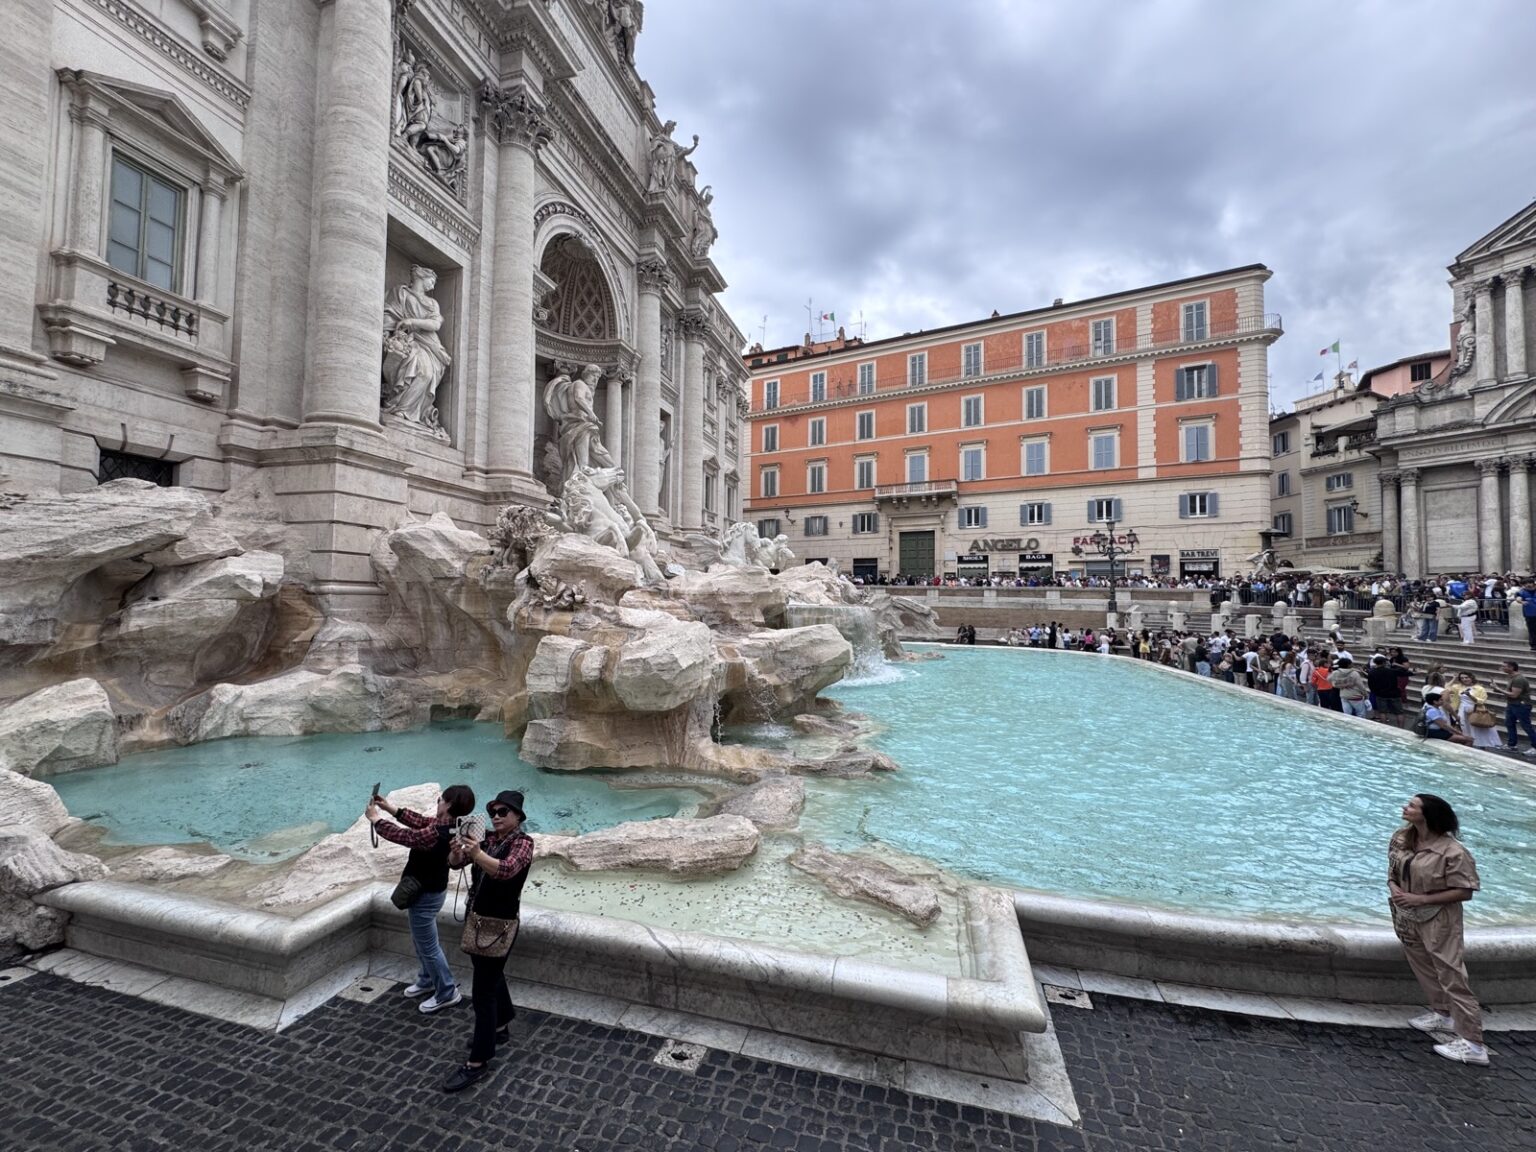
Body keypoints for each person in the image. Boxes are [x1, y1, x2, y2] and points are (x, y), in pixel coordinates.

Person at [442, 789, 535, 1093]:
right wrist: (458, 852)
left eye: (503, 812)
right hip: (477, 919)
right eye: (493, 812)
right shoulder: (488, 839)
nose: (496, 817)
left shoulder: (523, 843)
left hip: (499, 926)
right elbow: (454, 865)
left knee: (482, 993)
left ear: (517, 816)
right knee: (491, 976)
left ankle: (478, 1061)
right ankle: (501, 1023)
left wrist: (477, 854)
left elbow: (506, 870)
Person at [1388, 794, 1487, 1066]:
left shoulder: (1454, 852)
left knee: (1451, 974)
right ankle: (1442, 1014)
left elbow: (1465, 891)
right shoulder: (1401, 838)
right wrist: (1394, 888)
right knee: (1422, 965)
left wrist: (1421, 899)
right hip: (1407, 914)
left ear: (1428, 815)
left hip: (1440, 919)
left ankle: (1474, 1044)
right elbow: (1393, 870)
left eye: (1412, 806)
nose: (1405, 807)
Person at [367, 784, 477, 1014]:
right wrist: (390, 808)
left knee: (428, 947)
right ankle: (427, 979)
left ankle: (447, 991)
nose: (438, 803)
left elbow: (406, 836)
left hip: (425, 895)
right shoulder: (451, 826)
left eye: (440, 799)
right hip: (431, 891)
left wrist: (376, 819)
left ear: (448, 804)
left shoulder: (438, 833)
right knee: (421, 942)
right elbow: (421, 821)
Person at [1503, 660, 1536, 755]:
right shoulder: (1512, 677)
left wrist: (1498, 689)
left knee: (1526, 726)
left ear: (1511, 667)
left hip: (1521, 705)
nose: (1502, 668)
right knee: (1509, 723)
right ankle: (1512, 745)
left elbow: (1514, 695)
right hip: (1512, 704)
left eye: (1504, 666)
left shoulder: (1519, 679)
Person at [1517, 578, 1536, 652]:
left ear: (1533, 583)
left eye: (1529, 583)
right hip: (1529, 614)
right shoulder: (1522, 592)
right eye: (1525, 584)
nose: (1528, 585)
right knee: (1532, 630)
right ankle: (1533, 645)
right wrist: (1521, 601)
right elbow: (1518, 598)